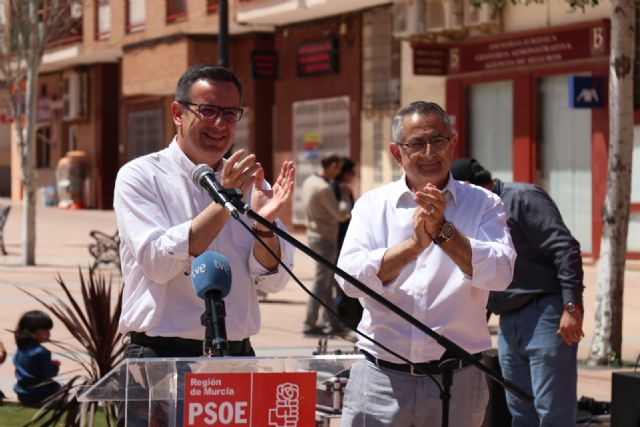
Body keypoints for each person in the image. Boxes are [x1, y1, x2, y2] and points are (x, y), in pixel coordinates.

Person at [336, 101, 517, 427]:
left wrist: (445, 233)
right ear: (396, 152)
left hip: (458, 381)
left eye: (438, 140)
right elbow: (349, 281)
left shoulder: (484, 203)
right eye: (417, 143)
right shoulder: (372, 206)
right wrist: (414, 245)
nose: (429, 152)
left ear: (453, 142)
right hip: (380, 378)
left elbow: (501, 273)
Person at [113, 64, 296, 360]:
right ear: (177, 113)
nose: (220, 125)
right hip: (162, 355)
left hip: (235, 356)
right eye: (208, 111)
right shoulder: (141, 176)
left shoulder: (250, 181)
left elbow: (273, 281)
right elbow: (158, 264)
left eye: (230, 114)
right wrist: (227, 200)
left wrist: (265, 227)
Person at [450, 157, 584, 427]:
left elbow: (565, 248)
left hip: (545, 313)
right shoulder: (477, 214)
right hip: (509, 322)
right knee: (519, 410)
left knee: (553, 411)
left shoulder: (523, 198)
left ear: (467, 185)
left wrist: (572, 308)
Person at [301, 154, 351, 337]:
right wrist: (345, 197)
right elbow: (341, 215)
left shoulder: (309, 181)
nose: (339, 172)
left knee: (326, 281)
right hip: (326, 239)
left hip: (314, 236)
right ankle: (309, 323)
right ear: (332, 166)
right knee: (321, 283)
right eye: (338, 168)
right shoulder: (323, 188)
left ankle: (333, 322)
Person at [332, 157, 363, 330]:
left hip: (348, 234)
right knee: (341, 276)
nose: (354, 176)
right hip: (337, 236)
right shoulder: (335, 188)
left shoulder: (347, 190)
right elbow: (339, 213)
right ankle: (341, 315)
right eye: (352, 173)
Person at [12, 310, 61, 405]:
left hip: (22, 393)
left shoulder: (21, 349)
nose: (48, 334)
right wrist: (55, 366)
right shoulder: (41, 352)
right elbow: (50, 373)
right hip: (40, 393)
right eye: (45, 331)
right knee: (63, 388)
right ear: (32, 332)